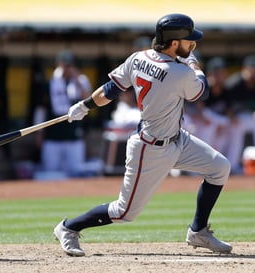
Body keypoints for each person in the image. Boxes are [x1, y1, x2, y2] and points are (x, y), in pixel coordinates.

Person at [53, 13, 232, 257]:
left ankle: (198, 231)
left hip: (177, 139)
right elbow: (203, 93)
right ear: (174, 43)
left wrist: (85, 105)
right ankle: (68, 228)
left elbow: (110, 89)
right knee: (123, 212)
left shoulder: (139, 58)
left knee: (219, 167)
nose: (192, 45)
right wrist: (194, 65)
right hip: (151, 148)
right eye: (189, 41)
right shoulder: (179, 72)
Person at [33, 50, 91, 178]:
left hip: (74, 136)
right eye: (64, 65)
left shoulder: (81, 81)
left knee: (76, 172)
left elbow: (89, 101)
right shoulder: (50, 83)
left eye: (69, 65)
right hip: (53, 136)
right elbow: (41, 109)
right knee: (51, 172)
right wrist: (39, 133)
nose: (67, 69)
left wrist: (76, 80)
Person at [223, 54, 255, 174]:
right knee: (237, 126)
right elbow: (224, 104)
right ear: (247, 69)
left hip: (245, 117)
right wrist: (230, 115)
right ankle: (231, 166)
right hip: (229, 119)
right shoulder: (234, 83)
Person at [183, 57, 230, 153]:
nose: (222, 75)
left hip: (207, 118)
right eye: (219, 72)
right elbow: (196, 109)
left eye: (223, 72)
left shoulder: (226, 89)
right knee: (202, 125)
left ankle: (216, 159)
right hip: (192, 117)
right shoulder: (202, 85)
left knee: (224, 126)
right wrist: (200, 116)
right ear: (211, 74)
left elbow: (228, 112)